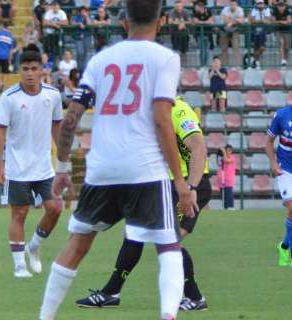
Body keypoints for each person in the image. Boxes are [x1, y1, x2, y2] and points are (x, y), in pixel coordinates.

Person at [38, 0, 196, 319]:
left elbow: (70, 119)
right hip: (145, 169)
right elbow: (164, 121)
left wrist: (64, 167)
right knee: (168, 246)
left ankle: (44, 316)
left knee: (78, 243)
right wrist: (180, 183)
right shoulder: (165, 58)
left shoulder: (102, 60)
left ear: (124, 21)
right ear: (162, 21)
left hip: (103, 169)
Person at [75, 96, 211, 311]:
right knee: (134, 235)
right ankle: (111, 293)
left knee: (169, 240)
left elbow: (198, 148)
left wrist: (192, 188)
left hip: (188, 187)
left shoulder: (179, 110)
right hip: (160, 187)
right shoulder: (146, 113)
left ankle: (195, 298)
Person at [0, 45, 64, 278]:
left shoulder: (52, 95)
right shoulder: (9, 97)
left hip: (44, 167)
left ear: (42, 69)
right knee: (20, 213)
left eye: (34, 68)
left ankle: (34, 245)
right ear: (19, 70)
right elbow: (0, 133)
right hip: (17, 167)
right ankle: (19, 266)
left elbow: (57, 126)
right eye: (25, 69)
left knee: (55, 208)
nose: (30, 73)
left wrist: (63, 159)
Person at [267, 105, 292, 267]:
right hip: (285, 168)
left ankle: (284, 246)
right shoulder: (282, 115)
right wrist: (274, 163)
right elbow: (268, 141)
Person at [0, 22, 16, 94]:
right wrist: (10, 60)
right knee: (5, 72)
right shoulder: (11, 36)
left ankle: (0, 83)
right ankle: (3, 86)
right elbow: (11, 50)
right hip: (6, 57)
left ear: (2, 27)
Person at [220, 0, 245, 65]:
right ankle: (225, 66)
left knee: (236, 48)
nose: (232, 6)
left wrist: (231, 22)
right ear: (229, 5)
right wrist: (237, 20)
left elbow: (242, 21)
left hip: (235, 30)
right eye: (231, 5)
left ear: (236, 5)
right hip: (224, 30)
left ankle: (238, 66)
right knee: (224, 49)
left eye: (234, 5)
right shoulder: (225, 9)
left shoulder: (240, 9)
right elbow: (225, 21)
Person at [250, 0, 273, 68]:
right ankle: (257, 63)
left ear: (263, 4)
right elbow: (252, 21)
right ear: (256, 4)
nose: (260, 5)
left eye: (261, 3)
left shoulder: (267, 9)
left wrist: (258, 21)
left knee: (262, 48)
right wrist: (262, 21)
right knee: (256, 47)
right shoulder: (254, 10)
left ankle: (253, 59)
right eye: (258, 3)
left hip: (263, 30)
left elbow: (268, 21)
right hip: (255, 29)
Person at [168, 0, 191, 65]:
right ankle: (177, 66)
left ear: (182, 6)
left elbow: (190, 21)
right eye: (177, 6)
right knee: (176, 52)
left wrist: (183, 24)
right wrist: (180, 23)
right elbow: (170, 21)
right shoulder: (172, 12)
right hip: (175, 34)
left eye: (179, 6)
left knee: (184, 51)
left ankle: (184, 65)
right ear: (175, 7)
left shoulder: (186, 12)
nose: (178, 8)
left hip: (185, 34)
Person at [273, 0, 291, 66]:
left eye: (282, 5)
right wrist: (282, 22)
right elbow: (273, 21)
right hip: (278, 31)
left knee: (287, 47)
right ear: (277, 6)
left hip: (287, 31)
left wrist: (279, 21)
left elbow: (289, 21)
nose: (281, 7)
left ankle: (285, 60)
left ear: (285, 6)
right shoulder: (275, 11)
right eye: (279, 6)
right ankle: (283, 59)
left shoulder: (287, 11)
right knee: (281, 43)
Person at [218, 144, 236, 210]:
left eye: (229, 150)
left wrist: (223, 153)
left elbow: (226, 161)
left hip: (229, 179)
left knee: (229, 193)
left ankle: (231, 206)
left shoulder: (232, 157)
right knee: (223, 194)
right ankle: (225, 207)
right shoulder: (222, 157)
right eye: (226, 150)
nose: (228, 152)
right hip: (221, 178)